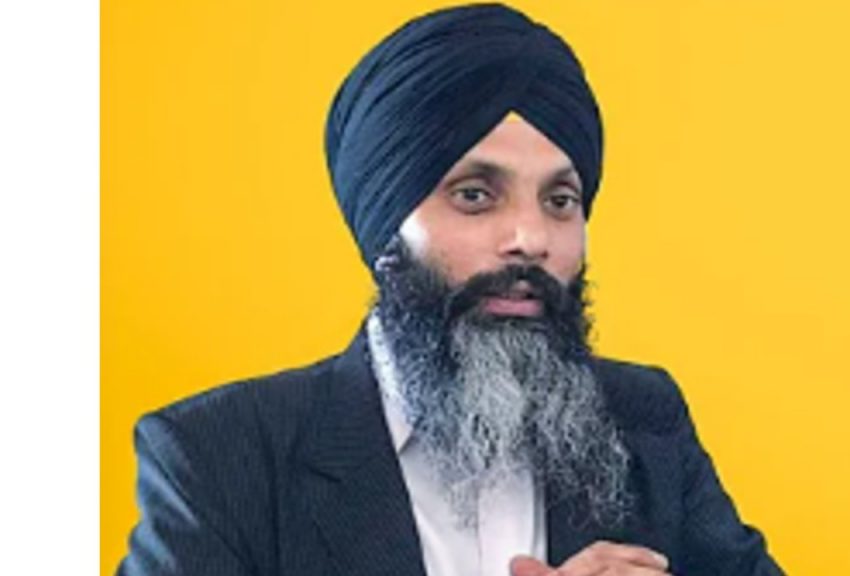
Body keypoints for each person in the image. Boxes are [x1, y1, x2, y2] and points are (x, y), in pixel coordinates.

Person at [117, 4, 783, 575]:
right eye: (474, 195)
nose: (531, 238)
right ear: (385, 230)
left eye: (560, 200)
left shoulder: (644, 418)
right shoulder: (219, 455)